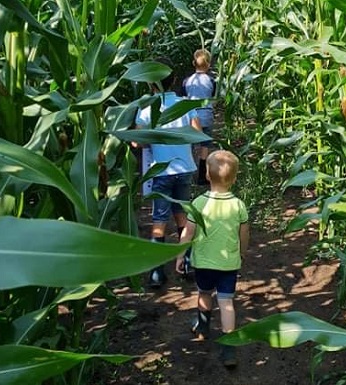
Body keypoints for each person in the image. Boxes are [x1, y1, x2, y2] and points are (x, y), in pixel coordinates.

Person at [174, 150, 250, 368]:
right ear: (234, 179)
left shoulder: (198, 203)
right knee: (226, 303)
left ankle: (203, 328)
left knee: (204, 293)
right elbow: (244, 235)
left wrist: (180, 254)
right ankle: (228, 349)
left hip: (204, 263)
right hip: (229, 264)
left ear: (206, 175)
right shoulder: (238, 205)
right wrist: (242, 253)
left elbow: (187, 233)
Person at [135, 57, 202, 288]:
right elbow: (197, 133)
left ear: (151, 84)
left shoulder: (146, 109)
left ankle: (156, 273)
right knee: (182, 216)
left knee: (159, 220)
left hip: (162, 171)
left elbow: (138, 142)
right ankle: (187, 263)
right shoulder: (184, 104)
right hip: (184, 169)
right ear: (174, 80)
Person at [182, 49, 216, 185]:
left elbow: (184, 96)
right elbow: (212, 95)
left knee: (189, 145)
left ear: (193, 63)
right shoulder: (211, 80)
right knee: (205, 146)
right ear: (208, 65)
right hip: (206, 115)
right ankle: (202, 176)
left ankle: (188, 175)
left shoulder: (187, 81)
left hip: (192, 116)